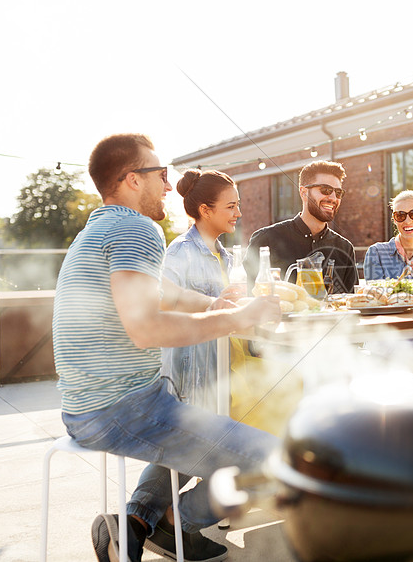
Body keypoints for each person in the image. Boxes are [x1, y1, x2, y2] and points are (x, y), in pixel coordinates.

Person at [52, 133, 281, 562]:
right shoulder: (137, 227)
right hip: (122, 408)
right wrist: (235, 320)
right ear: (131, 180)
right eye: (160, 174)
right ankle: (179, 521)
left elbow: (168, 294)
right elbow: (144, 328)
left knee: (194, 412)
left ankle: (133, 525)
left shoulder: (98, 228)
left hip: (84, 407)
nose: (167, 184)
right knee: (276, 461)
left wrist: (215, 303)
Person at [162, 169, 242, 411]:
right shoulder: (179, 252)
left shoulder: (227, 257)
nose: (238, 213)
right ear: (205, 210)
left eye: (237, 205)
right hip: (191, 383)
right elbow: (164, 305)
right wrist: (213, 303)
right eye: (230, 207)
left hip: (221, 374)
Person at [244, 160, 358, 294]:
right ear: (303, 193)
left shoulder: (345, 248)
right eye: (325, 190)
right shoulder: (265, 240)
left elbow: (352, 305)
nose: (333, 198)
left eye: (338, 193)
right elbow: (251, 298)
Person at [363, 189, 413, 288]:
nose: (407, 221)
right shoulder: (376, 253)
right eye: (400, 215)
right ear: (394, 219)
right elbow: (377, 298)